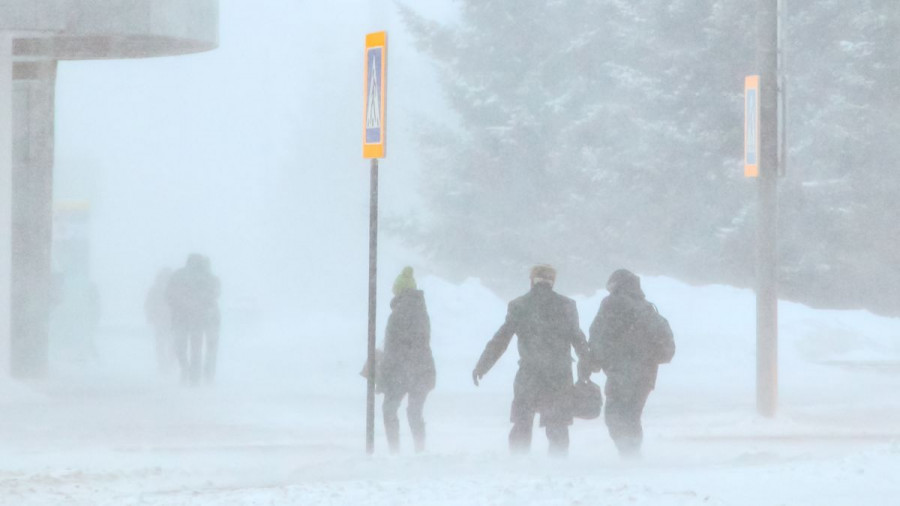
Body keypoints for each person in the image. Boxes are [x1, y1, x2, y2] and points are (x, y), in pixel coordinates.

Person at [472, 264, 591, 456]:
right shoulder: (566, 305)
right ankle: (558, 467)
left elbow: (501, 340)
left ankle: (519, 464)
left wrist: (482, 366)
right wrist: (587, 365)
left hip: (530, 374)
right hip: (559, 376)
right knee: (557, 425)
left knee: (522, 422)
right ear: (552, 282)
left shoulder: (520, 305)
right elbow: (578, 339)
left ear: (532, 280)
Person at [588, 269, 674, 458]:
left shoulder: (611, 303)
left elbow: (598, 334)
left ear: (615, 285)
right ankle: (633, 453)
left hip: (621, 371)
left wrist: (593, 361)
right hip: (646, 375)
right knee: (632, 416)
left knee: (614, 414)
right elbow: (664, 347)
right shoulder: (647, 307)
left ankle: (627, 452)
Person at [379, 266, 435, 453]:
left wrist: (383, 377)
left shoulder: (398, 314)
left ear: (399, 292)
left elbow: (392, 350)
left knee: (389, 409)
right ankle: (420, 450)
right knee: (414, 412)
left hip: (401, 373)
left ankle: (394, 451)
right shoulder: (422, 311)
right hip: (423, 371)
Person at [166, 254, 221, 385]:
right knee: (193, 347)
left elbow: (168, 295)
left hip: (186, 318)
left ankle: (190, 372)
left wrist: (180, 304)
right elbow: (214, 294)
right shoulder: (203, 276)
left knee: (184, 347)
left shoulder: (201, 277)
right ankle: (193, 374)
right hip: (193, 318)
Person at [145, 268, 175, 372]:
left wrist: (150, 316)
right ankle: (168, 364)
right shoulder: (173, 288)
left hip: (161, 320)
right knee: (170, 344)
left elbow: (148, 304)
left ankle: (163, 364)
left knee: (161, 344)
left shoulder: (155, 289)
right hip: (170, 320)